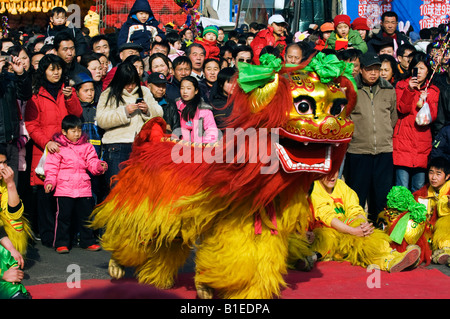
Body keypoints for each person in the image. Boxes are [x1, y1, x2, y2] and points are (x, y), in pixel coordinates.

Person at [288, 171, 421, 273]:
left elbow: (355, 209)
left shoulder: (341, 185)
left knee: (364, 236)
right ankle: (389, 261)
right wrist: (353, 230)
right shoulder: (315, 187)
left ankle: (392, 258)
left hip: (346, 231)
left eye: (335, 171)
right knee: (329, 238)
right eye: (328, 173)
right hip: (327, 233)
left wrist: (363, 226)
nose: (332, 177)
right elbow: (327, 216)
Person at [25, 54, 83, 247]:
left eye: (58, 68)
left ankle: (65, 236)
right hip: (45, 151)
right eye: (52, 69)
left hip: (67, 151)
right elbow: (31, 125)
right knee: (45, 195)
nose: (56, 72)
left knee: (65, 195)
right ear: (44, 71)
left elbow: (77, 116)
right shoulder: (35, 95)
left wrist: (70, 98)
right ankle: (48, 235)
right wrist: (47, 142)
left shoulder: (68, 91)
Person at [343, 52, 397, 223]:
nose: (374, 73)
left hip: (383, 151)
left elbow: (392, 118)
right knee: (357, 196)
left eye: (377, 69)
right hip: (359, 151)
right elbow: (346, 117)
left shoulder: (389, 89)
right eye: (369, 69)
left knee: (381, 198)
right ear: (361, 70)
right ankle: (356, 231)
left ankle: (378, 232)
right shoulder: (352, 89)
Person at [43, 115, 107, 253]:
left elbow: (92, 162)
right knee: (63, 217)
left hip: (83, 187)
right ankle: (61, 243)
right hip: (64, 188)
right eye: (73, 131)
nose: (77, 134)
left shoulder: (87, 146)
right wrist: (49, 182)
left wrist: (99, 166)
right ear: (64, 132)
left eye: (79, 130)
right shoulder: (58, 147)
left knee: (86, 216)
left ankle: (87, 241)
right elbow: (51, 167)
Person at [96, 61, 163, 191]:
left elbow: (159, 113)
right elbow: (101, 120)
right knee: (116, 189)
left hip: (141, 146)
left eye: (133, 82)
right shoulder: (109, 94)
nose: (131, 87)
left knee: (139, 189)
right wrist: (124, 112)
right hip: (117, 146)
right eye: (127, 83)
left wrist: (147, 110)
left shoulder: (144, 92)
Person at [394, 51, 440, 193]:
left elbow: (431, 116)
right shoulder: (402, 85)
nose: (418, 72)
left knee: (418, 188)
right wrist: (409, 90)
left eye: (422, 68)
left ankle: (417, 215)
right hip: (403, 141)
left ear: (428, 70)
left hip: (422, 143)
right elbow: (402, 108)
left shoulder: (433, 90)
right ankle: (400, 215)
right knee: (401, 188)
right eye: (416, 68)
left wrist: (426, 101)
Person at [0, 53, 32, 188]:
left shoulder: (8, 78)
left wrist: (21, 75)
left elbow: (25, 94)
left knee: (12, 187)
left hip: (11, 142)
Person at [413, 157, 450, 265]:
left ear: (447, 176)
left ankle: (446, 249)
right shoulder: (422, 193)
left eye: (438, 174)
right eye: (431, 173)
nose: (433, 177)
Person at [177, 76, 218, 144]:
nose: (185, 91)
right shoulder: (176, 106)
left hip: (198, 148)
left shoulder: (204, 110)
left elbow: (211, 131)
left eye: (188, 88)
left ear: (196, 91)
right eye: (182, 88)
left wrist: (203, 147)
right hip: (180, 147)